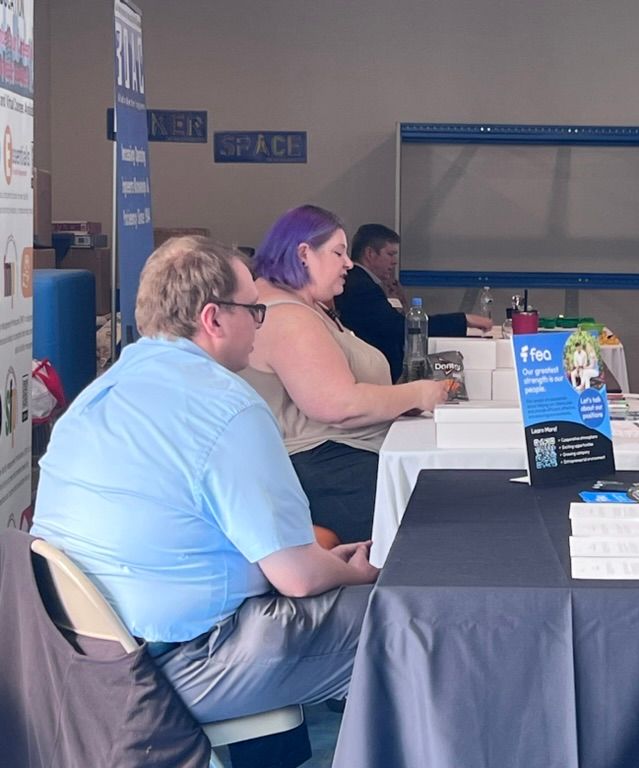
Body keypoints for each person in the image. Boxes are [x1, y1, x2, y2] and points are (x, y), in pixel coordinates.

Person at [30, 236, 379, 768]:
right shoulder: (227, 407)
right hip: (175, 663)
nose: (260, 324)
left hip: (81, 662)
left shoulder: (101, 393)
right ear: (214, 318)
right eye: (254, 310)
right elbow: (297, 578)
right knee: (397, 620)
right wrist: (361, 571)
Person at [242, 207, 449, 548]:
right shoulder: (289, 318)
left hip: (341, 460)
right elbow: (339, 404)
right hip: (327, 471)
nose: (348, 263)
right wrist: (418, 394)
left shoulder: (307, 309)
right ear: (304, 254)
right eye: (338, 252)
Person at [334, 223, 493, 382]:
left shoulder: (364, 282)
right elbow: (398, 327)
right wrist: (463, 320)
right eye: (390, 254)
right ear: (370, 253)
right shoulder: (361, 286)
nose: (394, 261)